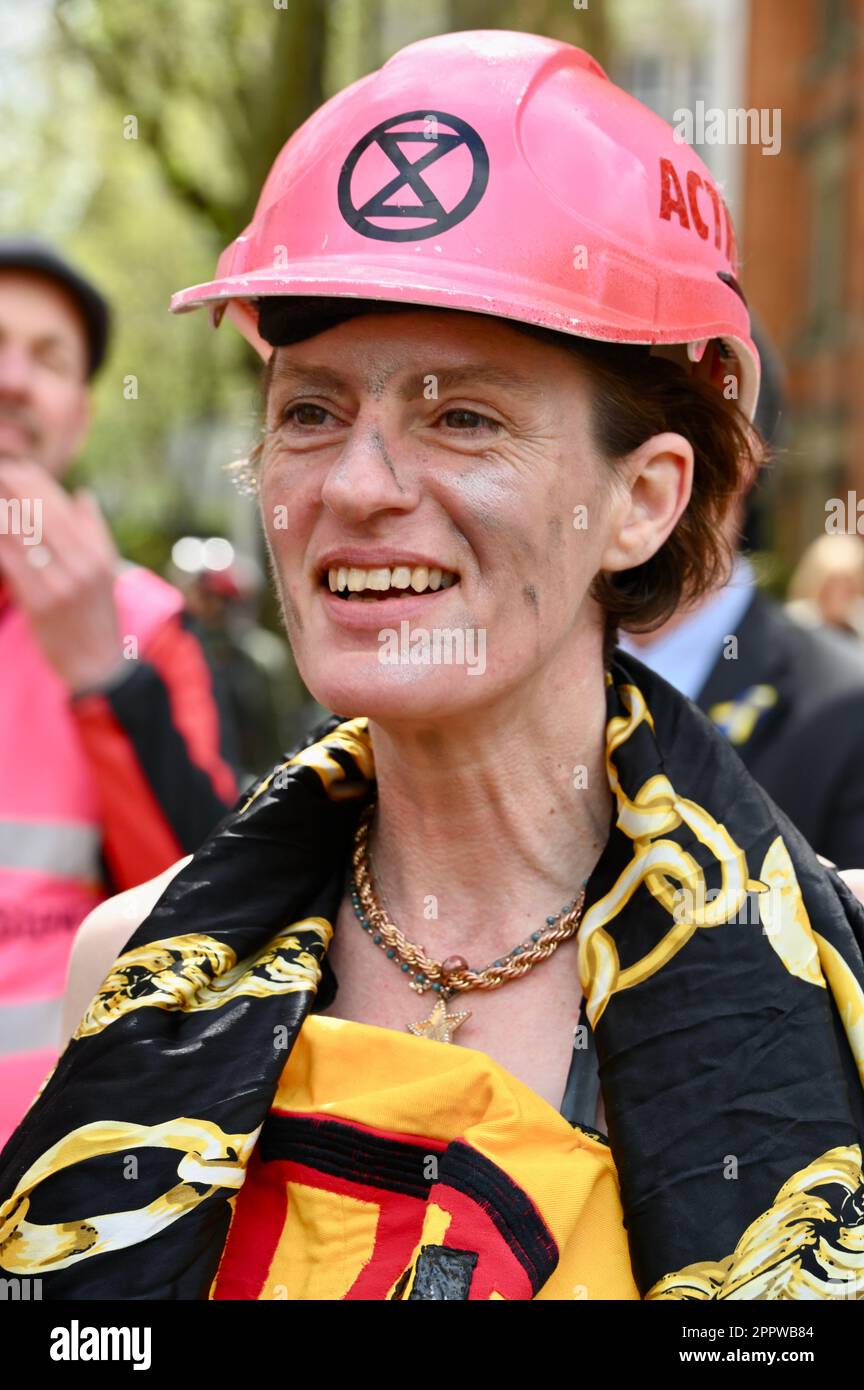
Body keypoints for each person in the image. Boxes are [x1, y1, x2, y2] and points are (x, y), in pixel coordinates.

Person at [2, 32, 864, 1302]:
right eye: (311, 412)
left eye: (462, 415)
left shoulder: (839, 994)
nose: (355, 486)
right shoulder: (136, 965)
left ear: (644, 501)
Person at [0, 239, 238, 1146]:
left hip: (54, 1182)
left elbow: (210, 918)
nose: (14, 378)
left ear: (81, 415)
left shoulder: (151, 623)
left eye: (49, 358)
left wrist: (106, 676)